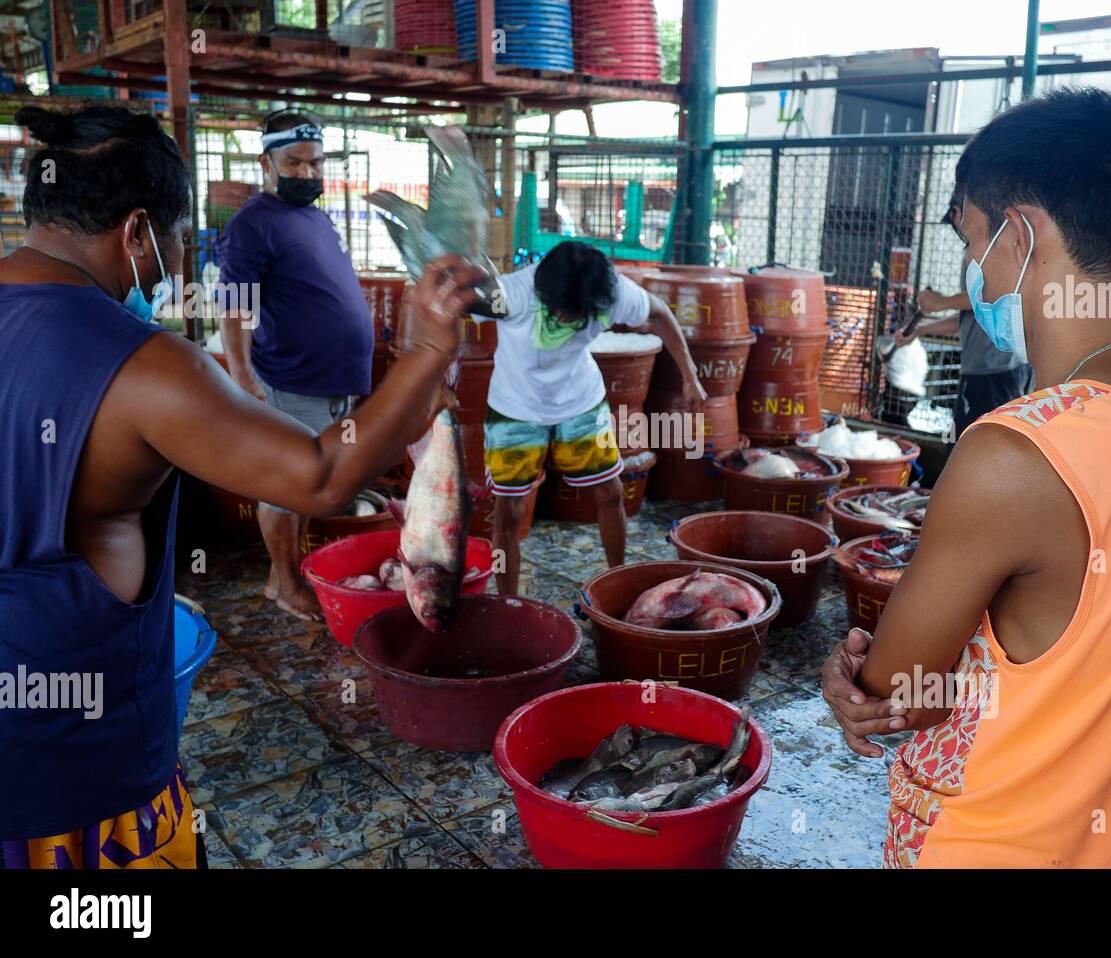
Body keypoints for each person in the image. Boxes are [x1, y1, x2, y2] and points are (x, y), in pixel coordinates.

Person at [0, 104, 481, 869]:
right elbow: (320, 477)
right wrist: (425, 351)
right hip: (78, 785)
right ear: (135, 233)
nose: (171, 265)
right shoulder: (145, 365)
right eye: (172, 243)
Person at [820, 88, 1111, 868]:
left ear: (1018, 233)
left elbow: (893, 691)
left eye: (970, 238)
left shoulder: (1017, 454)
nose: (971, 269)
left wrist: (843, 672)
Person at [474, 241, 706, 596]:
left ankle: (619, 579)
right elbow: (451, 307)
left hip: (580, 402)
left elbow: (659, 313)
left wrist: (689, 375)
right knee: (508, 510)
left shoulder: (610, 290)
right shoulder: (512, 294)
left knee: (612, 493)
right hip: (514, 410)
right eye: (564, 312)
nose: (570, 321)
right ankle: (508, 601)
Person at [218, 108, 375, 621]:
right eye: (295, 163)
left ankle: (279, 577)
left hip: (332, 383)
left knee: (308, 484)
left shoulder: (315, 215)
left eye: (315, 163)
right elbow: (235, 306)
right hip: (289, 381)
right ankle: (285, 583)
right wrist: (243, 378)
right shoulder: (252, 224)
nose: (308, 174)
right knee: (285, 487)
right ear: (267, 161)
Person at [894, 196, 1034, 436]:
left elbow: (989, 295)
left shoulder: (988, 250)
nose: (956, 226)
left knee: (981, 443)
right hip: (984, 370)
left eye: (954, 216)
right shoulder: (979, 250)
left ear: (961, 210)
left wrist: (941, 302)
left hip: (996, 370)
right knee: (965, 440)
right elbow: (969, 319)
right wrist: (920, 329)